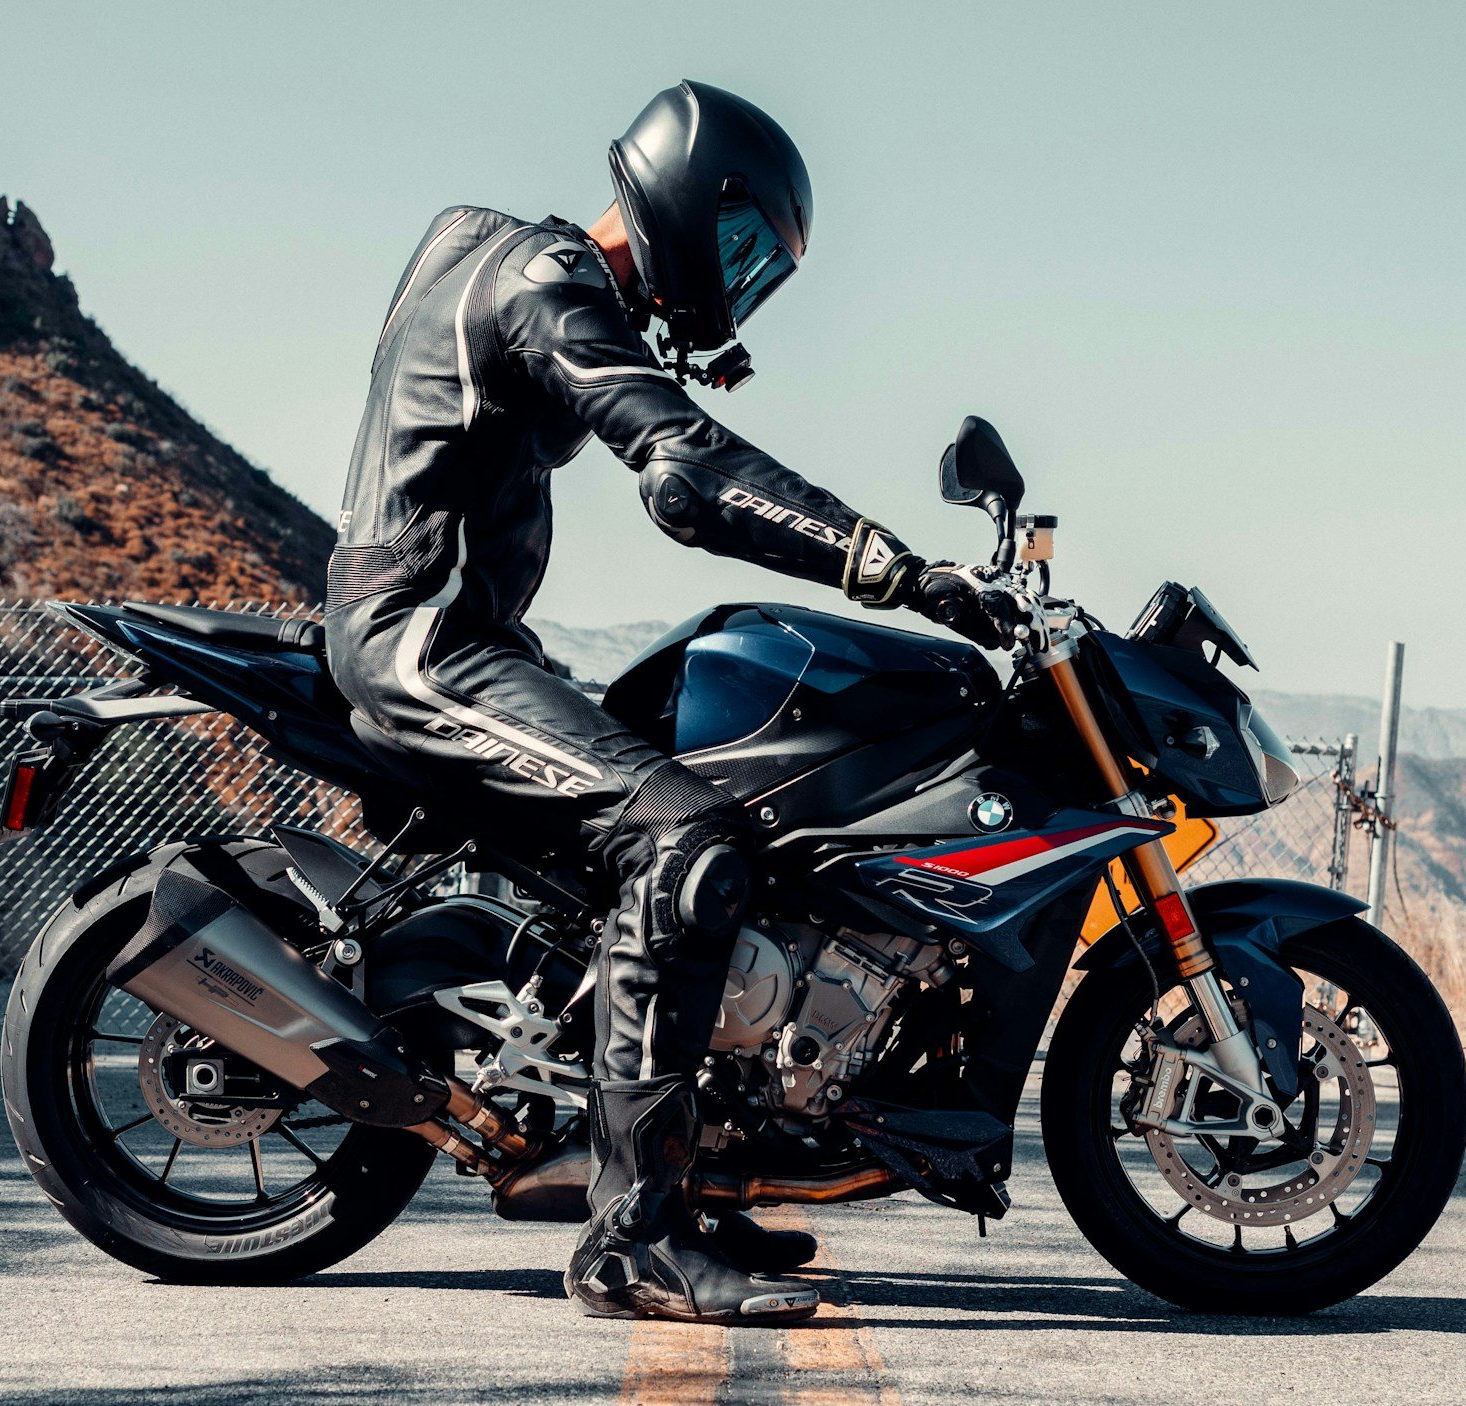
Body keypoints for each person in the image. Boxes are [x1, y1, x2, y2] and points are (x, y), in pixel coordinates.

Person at [324, 81, 995, 1325]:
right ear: (694, 202)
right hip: (424, 640)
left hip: (473, 636)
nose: (740, 286)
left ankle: (679, 1174)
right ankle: (628, 1239)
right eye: (742, 249)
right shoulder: (539, 279)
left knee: (725, 804)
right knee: (685, 844)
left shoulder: (506, 254)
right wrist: (889, 564)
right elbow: (683, 473)